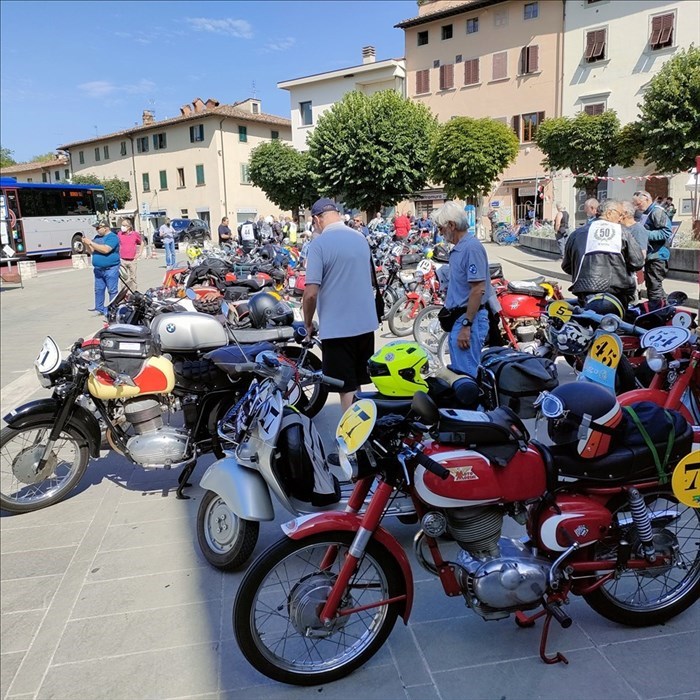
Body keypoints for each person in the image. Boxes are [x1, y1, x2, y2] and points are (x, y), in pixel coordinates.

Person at [302, 198, 377, 413]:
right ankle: (365, 437)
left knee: (346, 389)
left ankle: (353, 443)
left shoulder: (319, 244)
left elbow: (310, 294)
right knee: (357, 387)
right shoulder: (360, 238)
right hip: (365, 324)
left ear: (316, 219)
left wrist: (308, 323)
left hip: (338, 329)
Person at [434, 201, 494, 379]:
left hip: (468, 319)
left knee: (467, 378)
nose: (440, 233)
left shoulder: (471, 248)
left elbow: (478, 289)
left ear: (451, 225)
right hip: (460, 318)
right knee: (461, 374)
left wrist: (467, 325)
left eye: (441, 228)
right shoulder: (460, 248)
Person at [562, 200, 644, 310]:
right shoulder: (622, 232)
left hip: (585, 289)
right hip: (617, 291)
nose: (621, 219)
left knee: (586, 322)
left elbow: (567, 265)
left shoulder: (577, 234)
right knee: (615, 324)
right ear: (609, 213)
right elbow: (637, 262)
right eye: (620, 214)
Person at [632, 190, 673, 307]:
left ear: (646, 198)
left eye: (638, 204)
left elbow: (666, 233)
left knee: (654, 287)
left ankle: (659, 312)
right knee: (652, 286)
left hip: (658, 255)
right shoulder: (648, 212)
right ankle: (665, 307)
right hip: (652, 255)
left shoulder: (656, 212)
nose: (637, 207)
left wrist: (644, 234)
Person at [84, 219, 120, 317]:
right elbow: (91, 251)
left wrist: (91, 243)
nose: (96, 230)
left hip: (111, 268)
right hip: (98, 269)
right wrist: (86, 244)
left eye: (98, 228)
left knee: (112, 290)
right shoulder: (97, 237)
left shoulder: (112, 237)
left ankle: (113, 309)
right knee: (98, 289)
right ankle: (99, 308)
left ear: (106, 228)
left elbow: (105, 249)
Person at [117, 218, 142, 290]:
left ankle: (134, 293)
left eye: (124, 225)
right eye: (122, 225)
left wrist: (139, 253)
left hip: (132, 260)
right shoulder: (119, 234)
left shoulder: (135, 234)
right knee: (123, 278)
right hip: (122, 259)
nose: (122, 227)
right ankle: (124, 295)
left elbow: (142, 242)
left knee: (133, 278)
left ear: (129, 227)